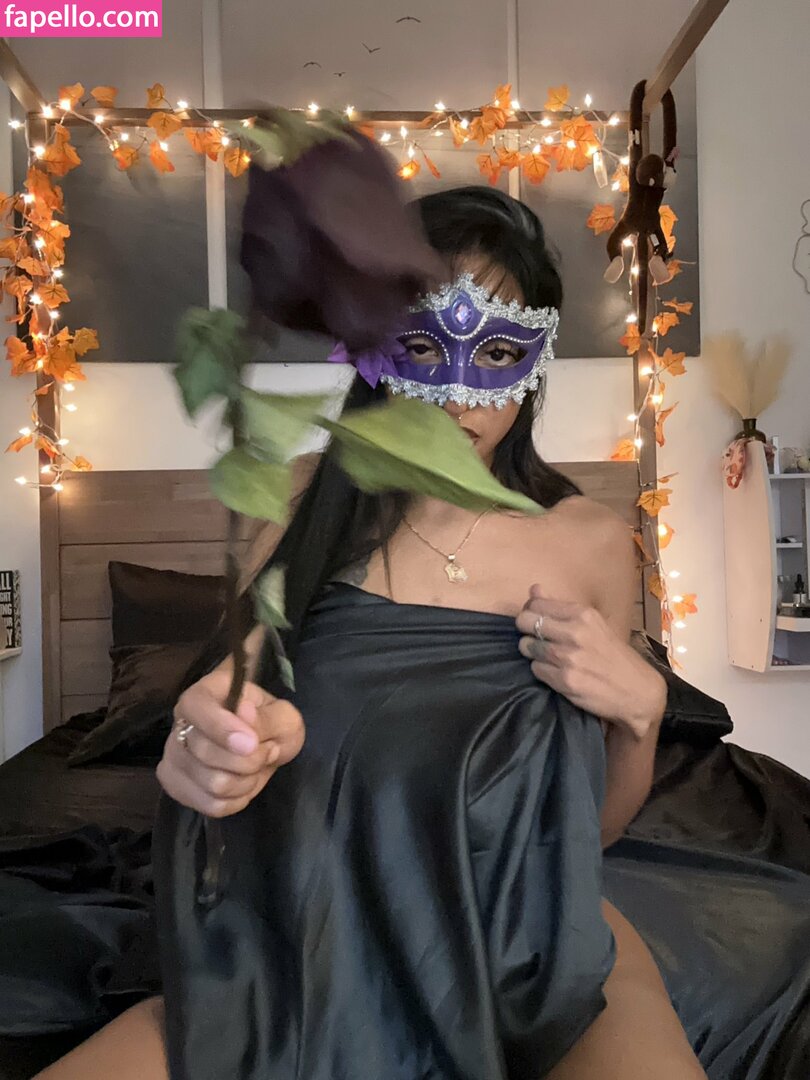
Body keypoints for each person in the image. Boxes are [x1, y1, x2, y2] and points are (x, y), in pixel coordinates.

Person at [36, 187, 706, 1079]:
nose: (457, 396)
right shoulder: (293, 502)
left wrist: (642, 719)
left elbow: (593, 833)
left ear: (534, 361)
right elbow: (230, 701)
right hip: (301, 937)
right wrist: (206, 749)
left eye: (496, 351)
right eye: (423, 345)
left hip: (527, 942)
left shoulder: (589, 542)